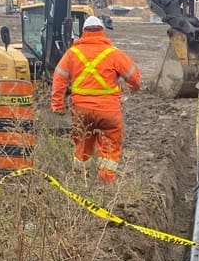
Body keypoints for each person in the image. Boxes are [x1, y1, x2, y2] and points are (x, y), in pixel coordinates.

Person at [51, 15, 141, 184]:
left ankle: (81, 184)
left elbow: (59, 79)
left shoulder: (72, 53)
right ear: (102, 32)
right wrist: (133, 88)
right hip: (109, 113)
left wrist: (58, 106)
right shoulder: (114, 53)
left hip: (82, 113)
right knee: (109, 150)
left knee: (82, 149)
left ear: (83, 32)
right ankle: (105, 185)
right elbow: (134, 78)